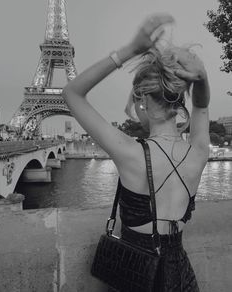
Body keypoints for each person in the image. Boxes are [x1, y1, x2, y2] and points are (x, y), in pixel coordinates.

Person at [62, 13, 210, 292]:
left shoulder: (130, 152)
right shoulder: (198, 152)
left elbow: (72, 93)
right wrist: (200, 78)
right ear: (178, 102)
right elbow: (201, 107)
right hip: (179, 274)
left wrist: (129, 51)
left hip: (136, 272)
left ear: (143, 100)